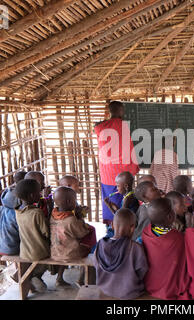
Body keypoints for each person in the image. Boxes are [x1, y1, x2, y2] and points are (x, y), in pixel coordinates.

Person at [94, 101, 139, 231]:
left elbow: (95, 128)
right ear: (121, 111)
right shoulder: (123, 125)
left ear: (109, 111)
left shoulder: (100, 127)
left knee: (109, 198)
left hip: (107, 172)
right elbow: (129, 148)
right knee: (123, 199)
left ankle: (111, 227)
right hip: (122, 174)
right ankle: (123, 226)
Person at [94, 208, 149, 299]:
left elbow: (96, 264)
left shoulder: (100, 244)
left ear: (112, 225)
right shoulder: (135, 248)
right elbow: (142, 270)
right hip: (130, 293)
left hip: (105, 289)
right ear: (132, 228)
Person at [141, 198, 190, 300]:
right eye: (172, 209)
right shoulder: (178, 238)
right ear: (170, 216)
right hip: (170, 287)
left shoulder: (145, 233)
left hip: (150, 284)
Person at [50, 187, 95, 289]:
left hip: (55, 252)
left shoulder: (53, 215)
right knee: (91, 254)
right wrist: (80, 217)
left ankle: (59, 278)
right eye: (75, 199)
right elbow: (82, 233)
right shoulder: (70, 219)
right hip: (70, 254)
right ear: (69, 201)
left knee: (65, 248)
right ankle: (82, 280)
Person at [14, 179, 50, 293]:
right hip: (39, 251)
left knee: (33, 260)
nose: (40, 195)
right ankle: (36, 276)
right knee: (57, 253)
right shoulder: (37, 213)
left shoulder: (18, 211)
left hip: (24, 250)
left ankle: (28, 277)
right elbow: (46, 232)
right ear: (31, 195)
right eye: (39, 193)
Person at [104, 171, 139, 238]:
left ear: (126, 186)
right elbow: (122, 213)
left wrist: (109, 207)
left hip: (126, 227)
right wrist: (116, 208)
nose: (117, 188)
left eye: (118, 186)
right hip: (127, 222)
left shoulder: (128, 199)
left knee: (108, 235)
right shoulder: (129, 196)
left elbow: (120, 219)